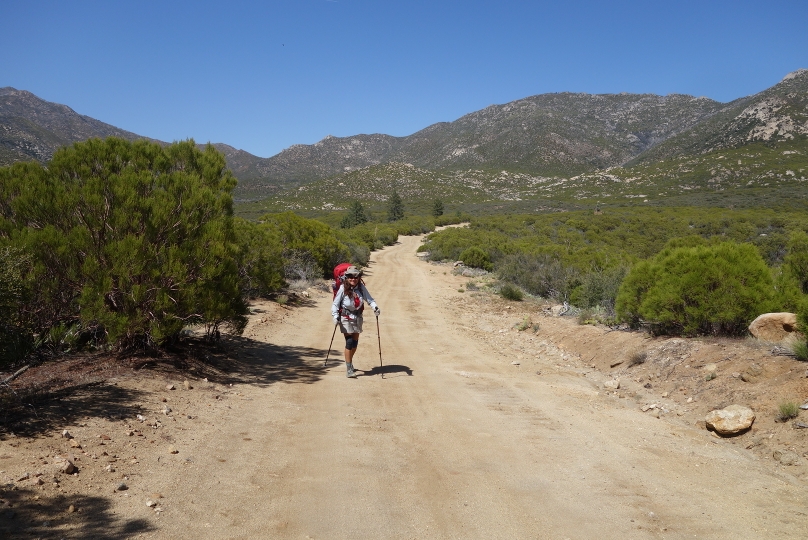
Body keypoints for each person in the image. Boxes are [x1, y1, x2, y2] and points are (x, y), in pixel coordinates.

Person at [331, 265, 380, 378]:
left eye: (355, 277)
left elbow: (370, 299)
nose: (353, 279)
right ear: (347, 277)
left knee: (355, 343)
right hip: (345, 317)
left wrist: (375, 307)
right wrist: (335, 316)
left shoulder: (361, 287)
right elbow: (335, 304)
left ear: (358, 277)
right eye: (350, 277)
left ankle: (350, 362)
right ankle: (349, 369)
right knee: (349, 342)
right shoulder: (343, 288)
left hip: (358, 317)